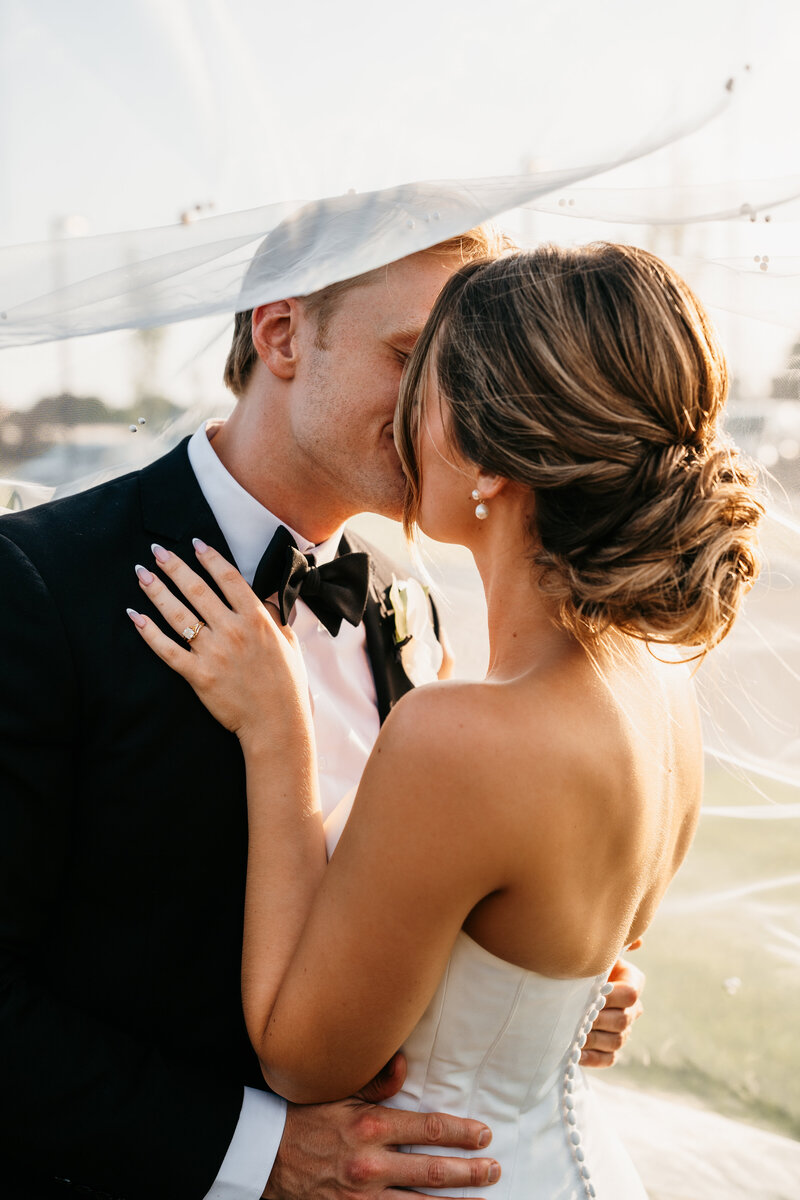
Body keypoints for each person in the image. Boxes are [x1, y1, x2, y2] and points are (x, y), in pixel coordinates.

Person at [0, 228, 641, 1200]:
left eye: (457, 368)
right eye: (408, 357)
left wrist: (527, 986)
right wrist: (256, 1155)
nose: (447, 404)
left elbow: (391, 906)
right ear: (283, 334)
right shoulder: (39, 583)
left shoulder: (408, 609)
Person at [129, 243, 763, 1199]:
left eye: (424, 379)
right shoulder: (657, 686)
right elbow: (526, 953)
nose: (405, 415)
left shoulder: (461, 731)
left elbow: (306, 1062)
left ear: (485, 454)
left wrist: (279, 734)